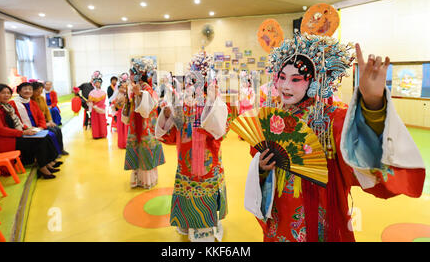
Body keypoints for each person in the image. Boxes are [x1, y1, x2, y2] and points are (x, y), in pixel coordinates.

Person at [244, 34, 426, 242]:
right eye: (282, 77)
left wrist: (372, 103)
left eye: (295, 79)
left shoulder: (333, 119)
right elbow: (256, 153)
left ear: (315, 82)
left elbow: (362, 149)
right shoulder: (271, 116)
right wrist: (261, 166)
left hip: (322, 208)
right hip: (279, 209)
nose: (285, 86)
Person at [155, 51, 230, 242]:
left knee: (205, 189)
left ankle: (205, 228)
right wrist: (166, 114)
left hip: (207, 159)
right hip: (186, 161)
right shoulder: (182, 103)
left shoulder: (216, 101)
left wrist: (211, 103)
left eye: (199, 79)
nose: (194, 85)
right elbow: (172, 134)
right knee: (187, 190)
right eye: (191, 80)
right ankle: (187, 223)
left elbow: (220, 131)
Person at [0, 84, 60, 179]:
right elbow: (0, 130)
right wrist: (22, 133)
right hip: (1, 141)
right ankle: (43, 168)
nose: (6, 95)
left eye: (8, 93)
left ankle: (47, 164)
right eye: (3, 93)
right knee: (40, 140)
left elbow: (18, 122)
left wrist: (27, 128)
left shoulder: (6, 107)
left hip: (11, 136)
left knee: (46, 136)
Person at [124, 58, 165, 189]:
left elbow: (150, 106)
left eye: (132, 73)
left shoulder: (147, 88)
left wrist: (139, 95)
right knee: (138, 148)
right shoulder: (135, 88)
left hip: (146, 126)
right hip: (136, 125)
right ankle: (138, 179)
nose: (130, 76)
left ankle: (147, 180)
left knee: (145, 150)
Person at [9, 82, 63, 169]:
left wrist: (41, 127)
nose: (28, 91)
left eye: (30, 89)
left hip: (37, 128)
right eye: (25, 89)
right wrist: (27, 129)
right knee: (48, 136)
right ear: (19, 91)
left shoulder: (32, 102)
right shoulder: (13, 103)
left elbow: (41, 116)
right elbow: (16, 121)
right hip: (24, 130)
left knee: (52, 132)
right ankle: (46, 164)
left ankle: (50, 161)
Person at [31, 81, 69, 155]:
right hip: (40, 123)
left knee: (58, 129)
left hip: (46, 120)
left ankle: (60, 149)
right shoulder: (31, 101)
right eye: (37, 91)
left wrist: (50, 120)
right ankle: (55, 152)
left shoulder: (41, 98)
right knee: (53, 132)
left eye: (41, 91)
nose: (39, 93)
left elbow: (46, 111)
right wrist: (45, 123)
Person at [110, 73, 129, 149]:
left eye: (124, 86)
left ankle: (127, 143)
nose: (122, 88)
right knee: (121, 128)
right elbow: (113, 103)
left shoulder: (128, 95)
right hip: (120, 113)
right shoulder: (117, 95)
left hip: (127, 112)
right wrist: (116, 104)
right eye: (121, 86)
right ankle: (122, 143)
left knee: (127, 128)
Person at [88, 71, 107, 139]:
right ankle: (96, 135)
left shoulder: (103, 92)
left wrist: (99, 107)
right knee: (95, 122)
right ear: (94, 84)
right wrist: (91, 104)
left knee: (102, 122)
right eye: (96, 83)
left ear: (100, 84)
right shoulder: (91, 93)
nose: (97, 84)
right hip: (94, 109)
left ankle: (103, 134)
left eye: (98, 83)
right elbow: (90, 102)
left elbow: (103, 101)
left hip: (101, 109)